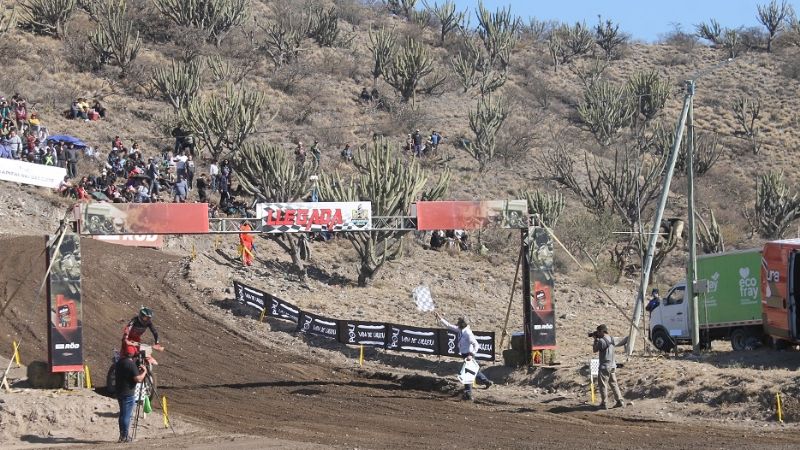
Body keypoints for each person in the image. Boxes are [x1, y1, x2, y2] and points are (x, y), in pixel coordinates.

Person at [434, 312, 493, 400]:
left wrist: (471, 355)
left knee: (467, 373)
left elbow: (476, 345)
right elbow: (449, 326)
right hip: (466, 355)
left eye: (459, 323)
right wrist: (440, 318)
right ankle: (486, 382)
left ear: (462, 324)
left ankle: (468, 392)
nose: (457, 324)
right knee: (474, 371)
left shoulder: (467, 333)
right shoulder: (460, 330)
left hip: (469, 355)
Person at [114, 345, 147, 442]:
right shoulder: (131, 364)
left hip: (120, 391)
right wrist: (144, 372)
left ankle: (122, 436)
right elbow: (138, 379)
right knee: (126, 415)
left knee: (122, 414)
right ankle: (125, 436)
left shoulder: (119, 362)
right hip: (128, 393)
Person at [592, 324, 628, 410]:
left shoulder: (601, 341)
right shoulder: (612, 338)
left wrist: (595, 340)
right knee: (614, 384)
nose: (597, 333)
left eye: (598, 332)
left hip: (604, 366)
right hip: (612, 365)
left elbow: (594, 350)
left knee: (603, 385)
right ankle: (619, 401)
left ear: (601, 331)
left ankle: (604, 403)